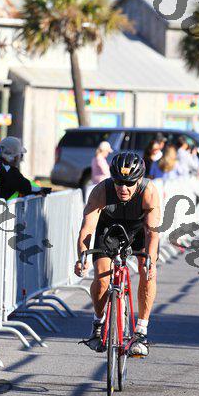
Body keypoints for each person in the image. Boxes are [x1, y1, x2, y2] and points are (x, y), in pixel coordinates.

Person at [75, 151, 160, 357]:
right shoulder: (101, 191)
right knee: (102, 279)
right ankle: (98, 323)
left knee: (147, 271)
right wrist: (82, 257)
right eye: (119, 182)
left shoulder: (149, 192)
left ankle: (141, 331)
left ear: (139, 180)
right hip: (109, 229)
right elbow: (87, 229)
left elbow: (152, 232)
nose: (123, 188)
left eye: (129, 183)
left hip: (139, 230)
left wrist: (150, 261)